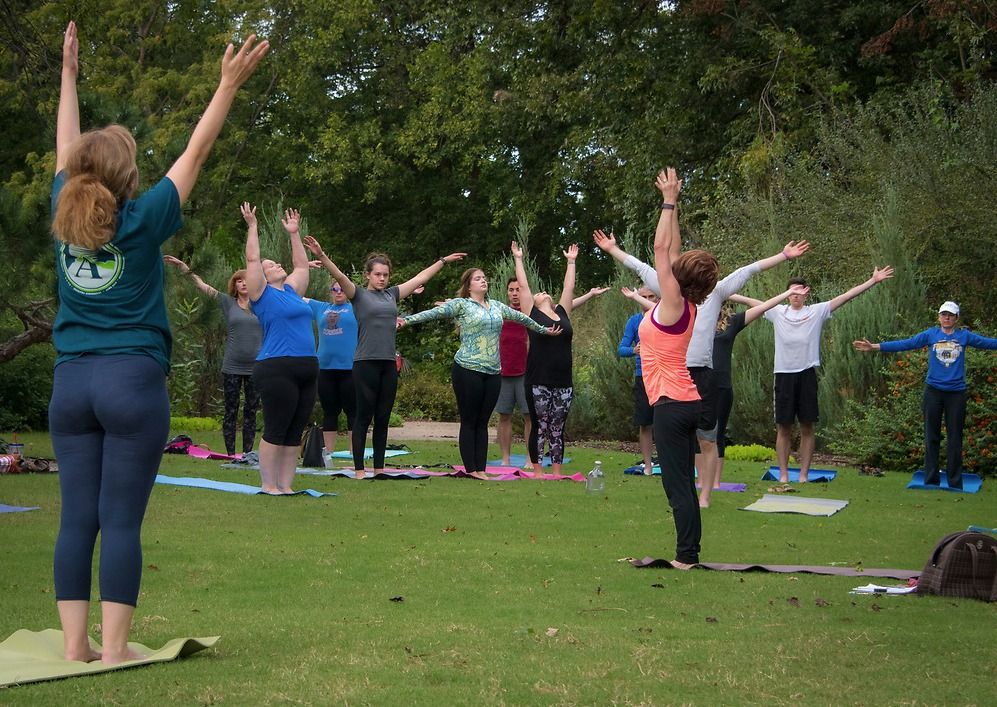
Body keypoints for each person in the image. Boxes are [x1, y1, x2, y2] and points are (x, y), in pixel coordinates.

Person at [48, 22, 267, 664]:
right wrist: (225, 85)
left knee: (75, 520)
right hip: (132, 384)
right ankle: (114, 651)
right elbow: (196, 152)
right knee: (118, 522)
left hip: (70, 387)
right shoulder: (142, 219)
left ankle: (73, 647)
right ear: (124, 178)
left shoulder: (64, 207)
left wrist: (68, 77)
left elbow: (67, 150)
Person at [594, 186, 809, 506]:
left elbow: (746, 270)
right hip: (675, 374)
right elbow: (646, 263)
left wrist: (783, 256)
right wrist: (613, 249)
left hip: (702, 375)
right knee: (681, 440)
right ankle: (683, 490)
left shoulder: (717, 292)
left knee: (707, 439)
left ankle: (705, 494)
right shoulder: (669, 291)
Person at [302, 238, 466, 476]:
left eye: (385, 274)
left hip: (388, 364)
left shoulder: (392, 295)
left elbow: (420, 279)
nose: (382, 278)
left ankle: (379, 468)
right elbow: (339, 276)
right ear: (368, 275)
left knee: (382, 417)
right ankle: (359, 469)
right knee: (363, 417)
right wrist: (322, 255)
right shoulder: (357, 295)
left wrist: (442, 261)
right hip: (364, 363)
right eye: (377, 274)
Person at [399, 268, 561, 475]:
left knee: (483, 421)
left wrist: (543, 329)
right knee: (470, 420)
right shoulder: (461, 305)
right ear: (469, 285)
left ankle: (480, 470)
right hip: (467, 369)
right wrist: (407, 320)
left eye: (484, 278)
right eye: (478, 278)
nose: (483, 281)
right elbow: (432, 314)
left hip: (493, 372)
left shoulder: (496, 307)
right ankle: (471, 470)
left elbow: (523, 319)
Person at [636, 167, 718, 569]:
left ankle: (687, 557)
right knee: (684, 484)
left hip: (671, 405)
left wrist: (668, 201)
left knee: (677, 487)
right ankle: (690, 553)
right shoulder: (684, 304)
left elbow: (659, 248)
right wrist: (676, 206)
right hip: (686, 402)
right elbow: (672, 248)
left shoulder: (672, 301)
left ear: (678, 277)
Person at [765, 268, 894, 482]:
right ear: (787, 294)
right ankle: (784, 475)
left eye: (799, 291)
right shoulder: (777, 312)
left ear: (806, 293)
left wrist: (872, 280)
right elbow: (751, 303)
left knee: (807, 425)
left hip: (806, 374)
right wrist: (720, 290)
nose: (795, 296)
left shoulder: (817, 311)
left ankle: (804, 475)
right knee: (783, 426)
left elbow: (847, 296)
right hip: (783, 375)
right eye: (791, 292)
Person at [853, 301, 997, 489]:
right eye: (944, 314)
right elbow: (906, 343)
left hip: (956, 393)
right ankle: (931, 480)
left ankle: (955, 482)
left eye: (951, 315)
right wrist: (875, 347)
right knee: (931, 436)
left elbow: (989, 343)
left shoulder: (964, 336)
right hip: (933, 392)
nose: (947, 318)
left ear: (956, 318)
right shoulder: (931, 335)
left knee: (955, 438)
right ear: (939, 317)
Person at [512, 241, 605, 476]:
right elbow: (523, 286)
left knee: (557, 427)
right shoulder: (530, 314)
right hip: (538, 380)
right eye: (539, 292)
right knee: (539, 426)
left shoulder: (562, 313)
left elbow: (568, 288)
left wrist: (571, 262)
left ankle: (556, 472)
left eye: (545, 292)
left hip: (563, 381)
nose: (543, 292)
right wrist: (519, 259)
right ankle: (538, 472)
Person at [244, 205, 316, 494]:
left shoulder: (291, 291)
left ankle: (286, 486)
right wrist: (252, 226)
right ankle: (268, 484)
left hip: (307, 366)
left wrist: (294, 234)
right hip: (276, 366)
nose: (277, 265)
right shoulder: (261, 295)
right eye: (271, 264)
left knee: (294, 431)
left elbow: (301, 266)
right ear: (261, 276)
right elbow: (252, 258)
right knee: (276, 428)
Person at [163, 256, 262, 456]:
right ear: (234, 285)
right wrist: (185, 268)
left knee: (251, 411)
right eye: (238, 280)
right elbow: (202, 286)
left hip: (257, 367)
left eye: (246, 280)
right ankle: (231, 454)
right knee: (231, 411)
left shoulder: (262, 305)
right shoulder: (228, 303)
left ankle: (248, 454)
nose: (243, 283)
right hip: (233, 365)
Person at [711, 286, 810, 485]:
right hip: (696, 383)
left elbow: (764, 307)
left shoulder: (732, 322)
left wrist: (784, 294)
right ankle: (701, 479)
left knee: (717, 432)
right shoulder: (694, 320)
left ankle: (715, 482)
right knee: (699, 432)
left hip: (721, 385)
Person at [306, 281, 358, 456]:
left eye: (342, 289)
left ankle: (354, 453)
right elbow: (292, 293)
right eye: (334, 289)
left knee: (353, 411)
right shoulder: (321, 307)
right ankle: (328, 453)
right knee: (330, 412)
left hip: (350, 368)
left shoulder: (356, 308)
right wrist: (304, 267)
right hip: (325, 368)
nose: (338, 292)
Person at [619, 287, 659, 474]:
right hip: (643, 376)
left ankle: (668, 461)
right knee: (645, 422)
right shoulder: (634, 321)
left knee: (666, 421)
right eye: (644, 297)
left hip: (664, 376)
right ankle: (648, 465)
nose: (647, 300)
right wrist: (634, 350)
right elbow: (622, 349)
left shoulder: (666, 318)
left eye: (651, 296)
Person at [495, 277, 533, 465]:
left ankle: (529, 458)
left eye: (518, 289)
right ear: (507, 292)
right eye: (511, 290)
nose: (515, 293)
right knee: (504, 415)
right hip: (503, 373)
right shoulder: (500, 312)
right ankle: (505, 459)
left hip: (526, 373)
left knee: (529, 416)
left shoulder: (529, 312)